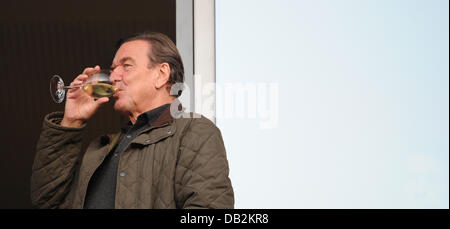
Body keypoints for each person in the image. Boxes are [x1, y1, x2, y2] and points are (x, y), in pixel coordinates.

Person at [31, 31, 234, 209]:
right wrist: (71, 121)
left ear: (161, 74)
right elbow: (47, 201)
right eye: (113, 69)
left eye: (126, 66)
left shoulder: (194, 131)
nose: (113, 77)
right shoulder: (100, 148)